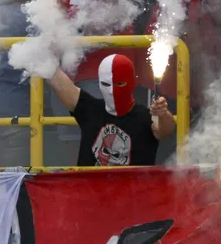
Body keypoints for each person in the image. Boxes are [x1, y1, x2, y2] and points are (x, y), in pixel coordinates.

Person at [44, 53, 175, 166]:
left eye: (120, 84)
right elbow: (59, 82)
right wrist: (38, 54)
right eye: (106, 84)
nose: (112, 91)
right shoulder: (90, 109)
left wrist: (163, 114)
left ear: (131, 83)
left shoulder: (144, 116)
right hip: (91, 190)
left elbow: (165, 131)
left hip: (132, 191)